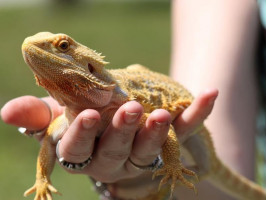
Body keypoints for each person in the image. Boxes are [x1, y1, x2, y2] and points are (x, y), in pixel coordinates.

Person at [0, 0, 262, 199]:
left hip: (189, 121)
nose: (38, 48)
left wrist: (171, 165)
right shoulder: (67, 117)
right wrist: (42, 179)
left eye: (63, 47)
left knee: (207, 166)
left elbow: (167, 132)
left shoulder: (120, 103)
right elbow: (49, 144)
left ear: (89, 67)